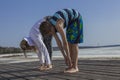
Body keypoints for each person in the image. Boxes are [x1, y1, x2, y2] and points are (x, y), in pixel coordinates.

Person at [39, 8, 83, 73]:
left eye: (50, 32)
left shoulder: (58, 25)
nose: (52, 34)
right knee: (69, 42)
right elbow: (59, 42)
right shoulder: (51, 26)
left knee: (73, 43)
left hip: (76, 18)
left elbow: (64, 42)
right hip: (70, 22)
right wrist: (65, 57)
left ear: (50, 28)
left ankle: (75, 67)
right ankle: (71, 65)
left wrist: (68, 57)